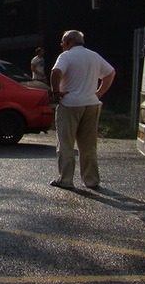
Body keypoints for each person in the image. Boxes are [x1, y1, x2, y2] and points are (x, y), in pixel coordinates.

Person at [49, 30, 115, 190]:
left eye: (63, 42)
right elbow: (110, 73)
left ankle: (66, 179)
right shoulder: (94, 56)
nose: (61, 45)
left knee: (66, 143)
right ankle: (91, 180)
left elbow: (55, 72)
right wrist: (99, 93)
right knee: (88, 145)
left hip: (70, 103)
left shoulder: (66, 56)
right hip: (91, 103)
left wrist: (56, 92)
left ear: (70, 42)